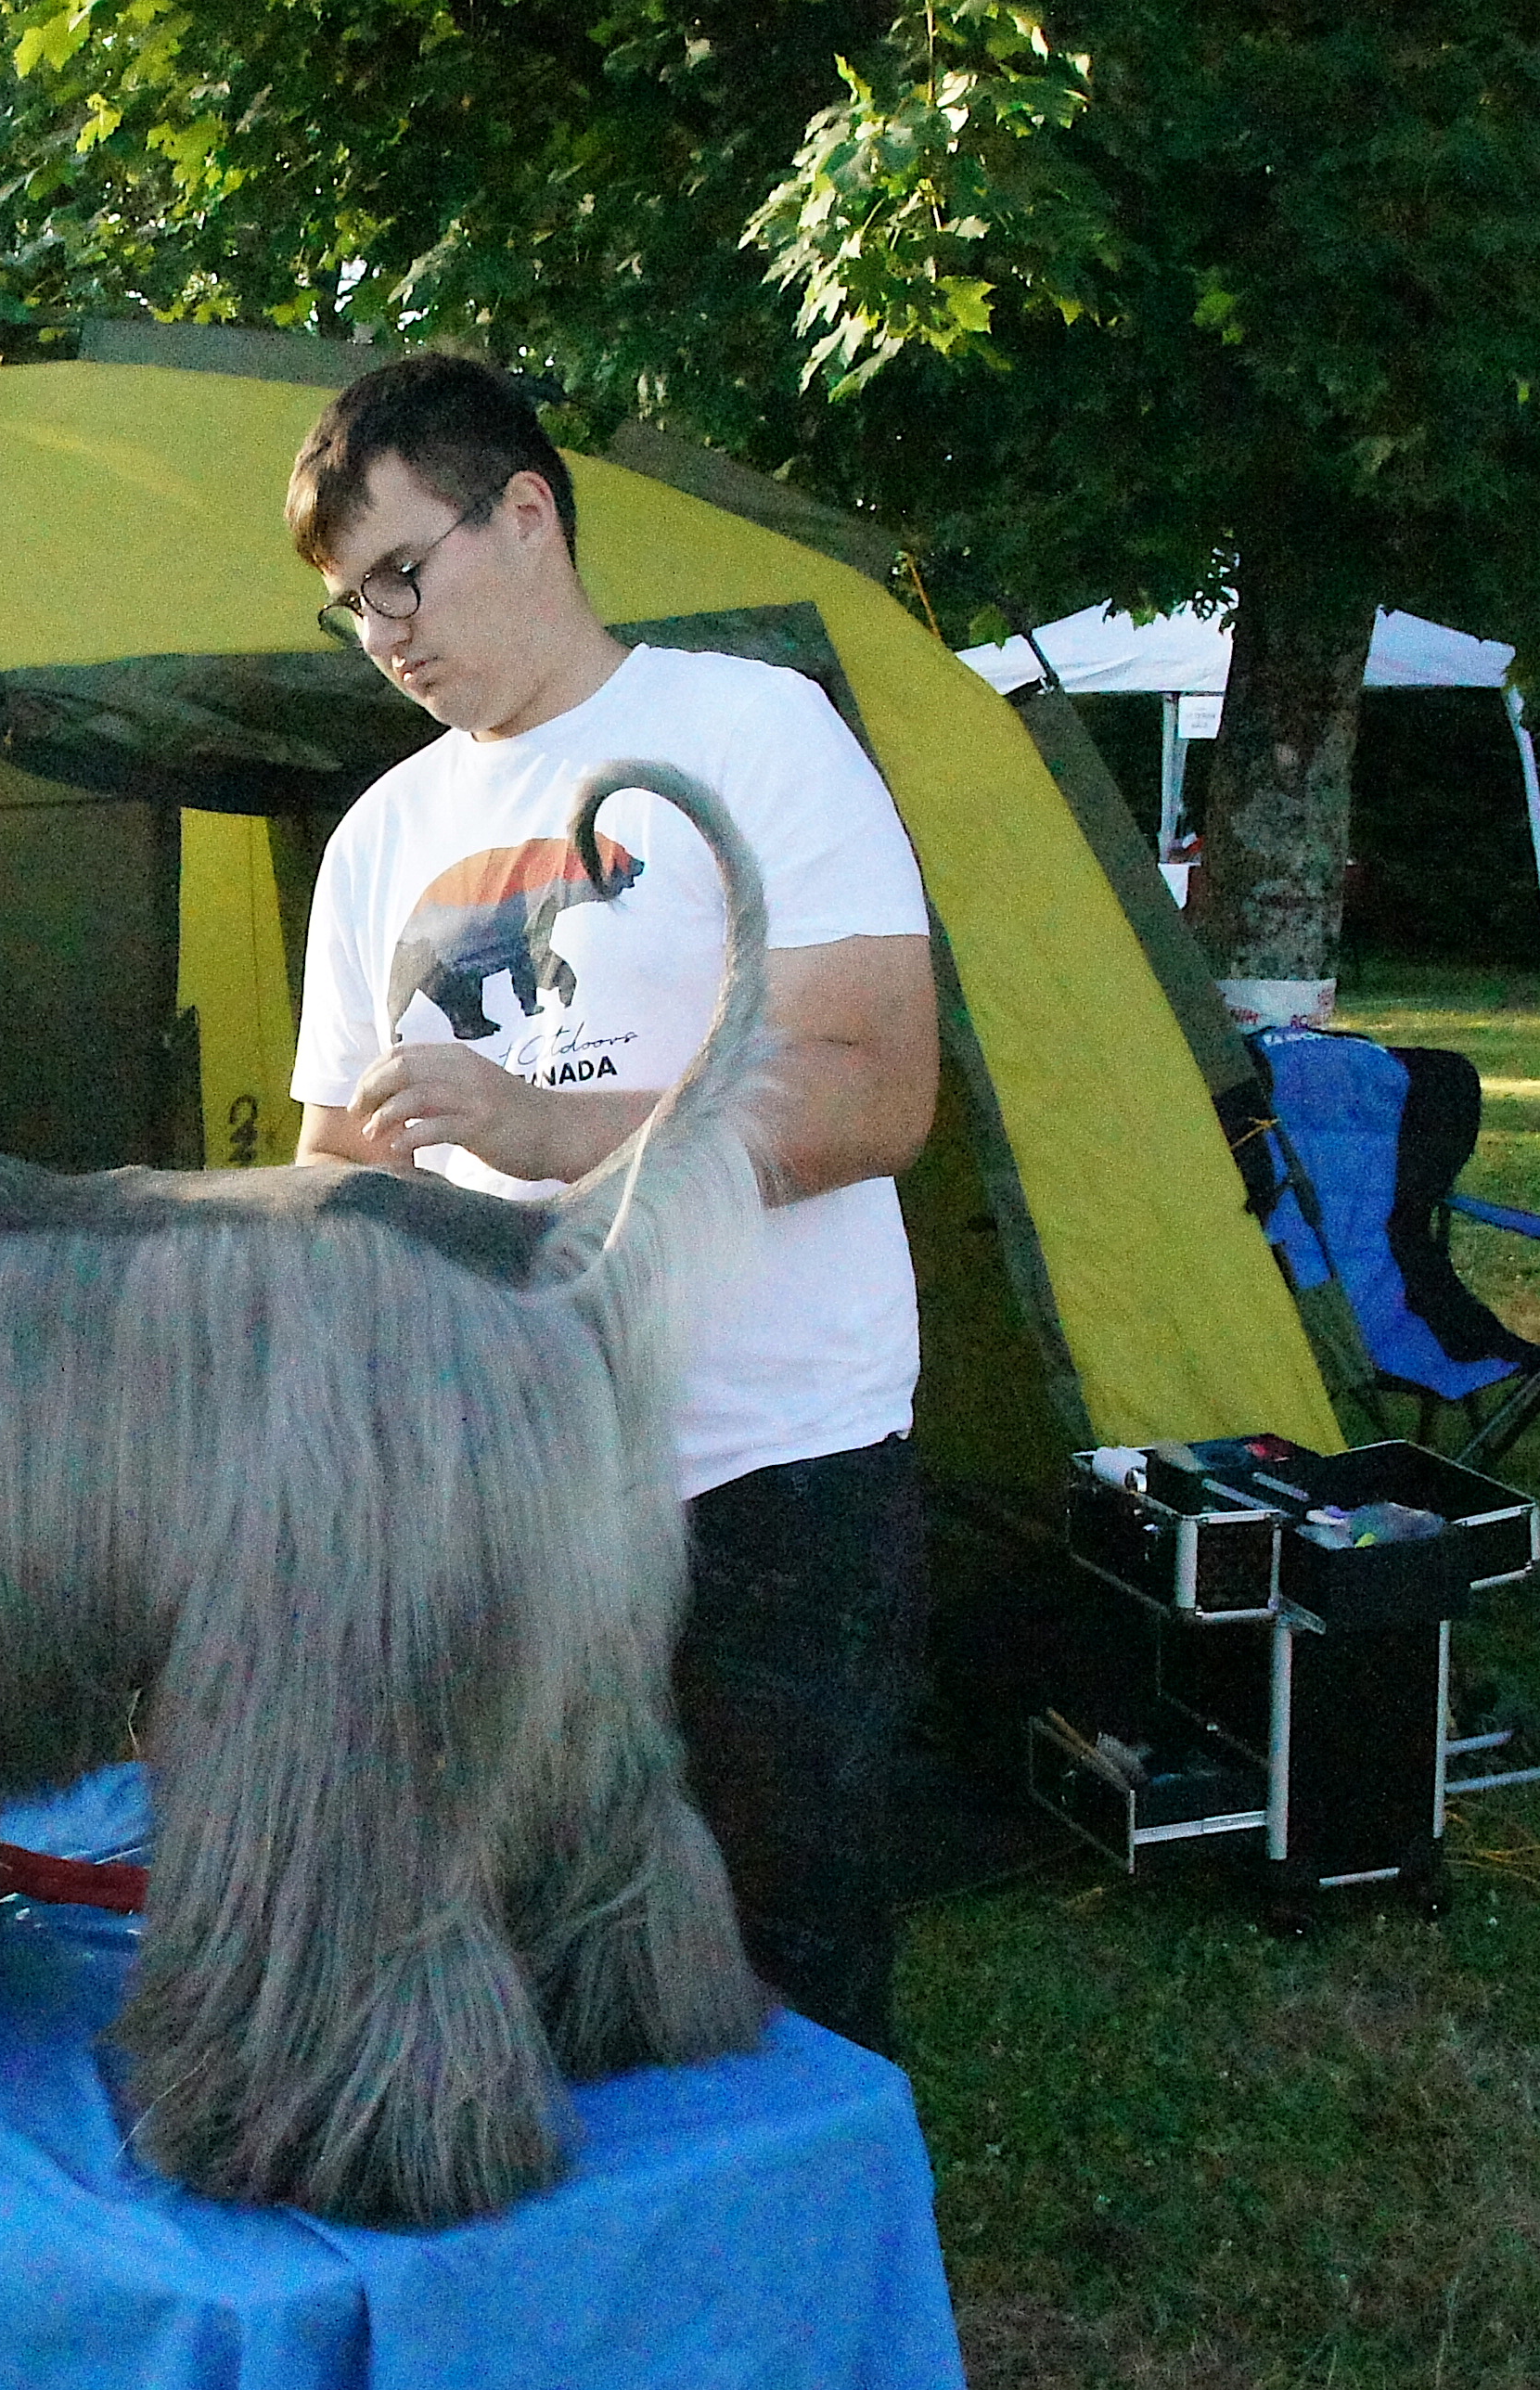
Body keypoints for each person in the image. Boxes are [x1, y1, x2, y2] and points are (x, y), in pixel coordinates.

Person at [283, 353, 941, 2056]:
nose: (389, 637)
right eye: (353, 610)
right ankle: (593, 2308)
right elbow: (339, 1180)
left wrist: (552, 1127)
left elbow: (879, 1092)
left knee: (778, 1960)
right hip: (497, 1497)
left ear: (529, 511)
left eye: (404, 575)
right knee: (535, 1947)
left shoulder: (752, 732)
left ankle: (804, 2307)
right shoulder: (376, 840)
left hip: (764, 1470)